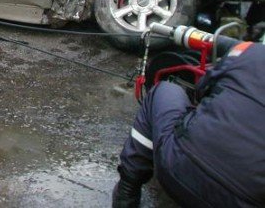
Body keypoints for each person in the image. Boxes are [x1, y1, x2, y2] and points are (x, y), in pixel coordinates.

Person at [112, 40, 265, 208]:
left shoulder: (246, 49)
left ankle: (127, 191)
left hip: (178, 171)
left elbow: (202, 88)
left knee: (164, 90)